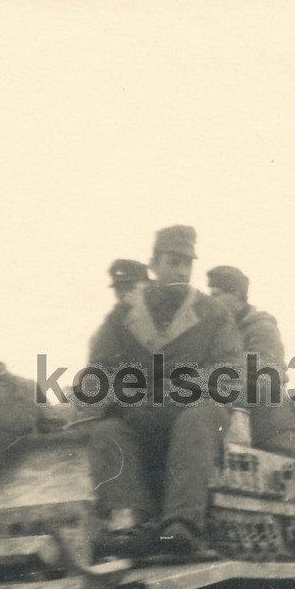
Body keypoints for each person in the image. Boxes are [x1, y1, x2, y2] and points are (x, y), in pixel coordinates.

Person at [85, 225, 243, 556]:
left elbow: (229, 372)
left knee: (198, 420)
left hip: (193, 407)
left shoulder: (213, 314)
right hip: (140, 411)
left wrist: (180, 390)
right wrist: (127, 397)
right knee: (108, 431)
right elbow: (98, 372)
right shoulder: (123, 315)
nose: (181, 271)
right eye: (173, 262)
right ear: (154, 264)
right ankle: (128, 524)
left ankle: (182, 526)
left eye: (187, 264)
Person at [206, 265, 295, 462]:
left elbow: (264, 378)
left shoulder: (261, 328)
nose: (212, 302)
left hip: (273, 431)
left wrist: (214, 385)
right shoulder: (222, 331)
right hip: (242, 427)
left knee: (291, 484)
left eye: (217, 295)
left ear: (236, 295)